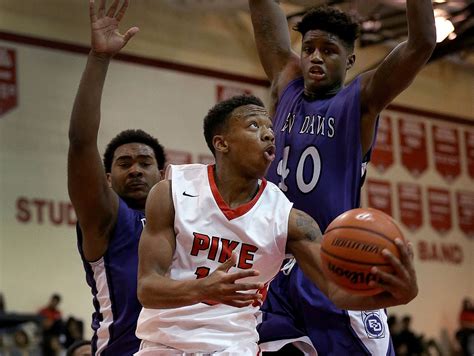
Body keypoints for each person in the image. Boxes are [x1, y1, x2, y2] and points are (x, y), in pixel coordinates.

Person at [134, 94, 418, 355]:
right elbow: (147, 288)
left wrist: (395, 294)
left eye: (270, 128)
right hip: (162, 343)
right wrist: (202, 289)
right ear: (222, 143)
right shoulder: (171, 192)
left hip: (232, 347)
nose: (269, 134)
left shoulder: (290, 219)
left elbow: (338, 293)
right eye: (254, 125)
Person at [248, 1, 436, 354]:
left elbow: (422, 43)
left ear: (350, 60)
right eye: (309, 49)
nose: (315, 57)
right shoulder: (287, 83)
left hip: (332, 263)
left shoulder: (361, 99)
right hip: (272, 267)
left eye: (329, 50)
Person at [67, 0, 165, 354]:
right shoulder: (107, 218)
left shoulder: (185, 219)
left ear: (164, 174)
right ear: (107, 178)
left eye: (144, 162)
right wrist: (99, 58)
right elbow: (80, 143)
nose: (136, 169)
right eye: (124, 163)